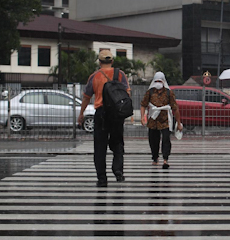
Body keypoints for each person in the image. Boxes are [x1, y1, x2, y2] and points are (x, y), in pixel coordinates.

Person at [78, 49, 130, 186]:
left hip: (101, 114)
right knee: (118, 143)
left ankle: (102, 179)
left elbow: (86, 97)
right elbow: (127, 93)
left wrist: (81, 113)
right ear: (112, 61)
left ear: (99, 62)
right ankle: (118, 171)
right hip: (117, 115)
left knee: (100, 147)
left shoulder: (94, 76)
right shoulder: (121, 75)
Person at [140, 71, 182, 169]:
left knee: (166, 139)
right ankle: (155, 157)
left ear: (163, 81)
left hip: (165, 120)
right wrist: (142, 117)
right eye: (156, 80)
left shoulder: (168, 93)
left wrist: (179, 123)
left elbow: (175, 108)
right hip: (153, 119)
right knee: (153, 140)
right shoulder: (150, 92)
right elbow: (143, 105)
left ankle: (165, 159)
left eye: (160, 81)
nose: (158, 83)